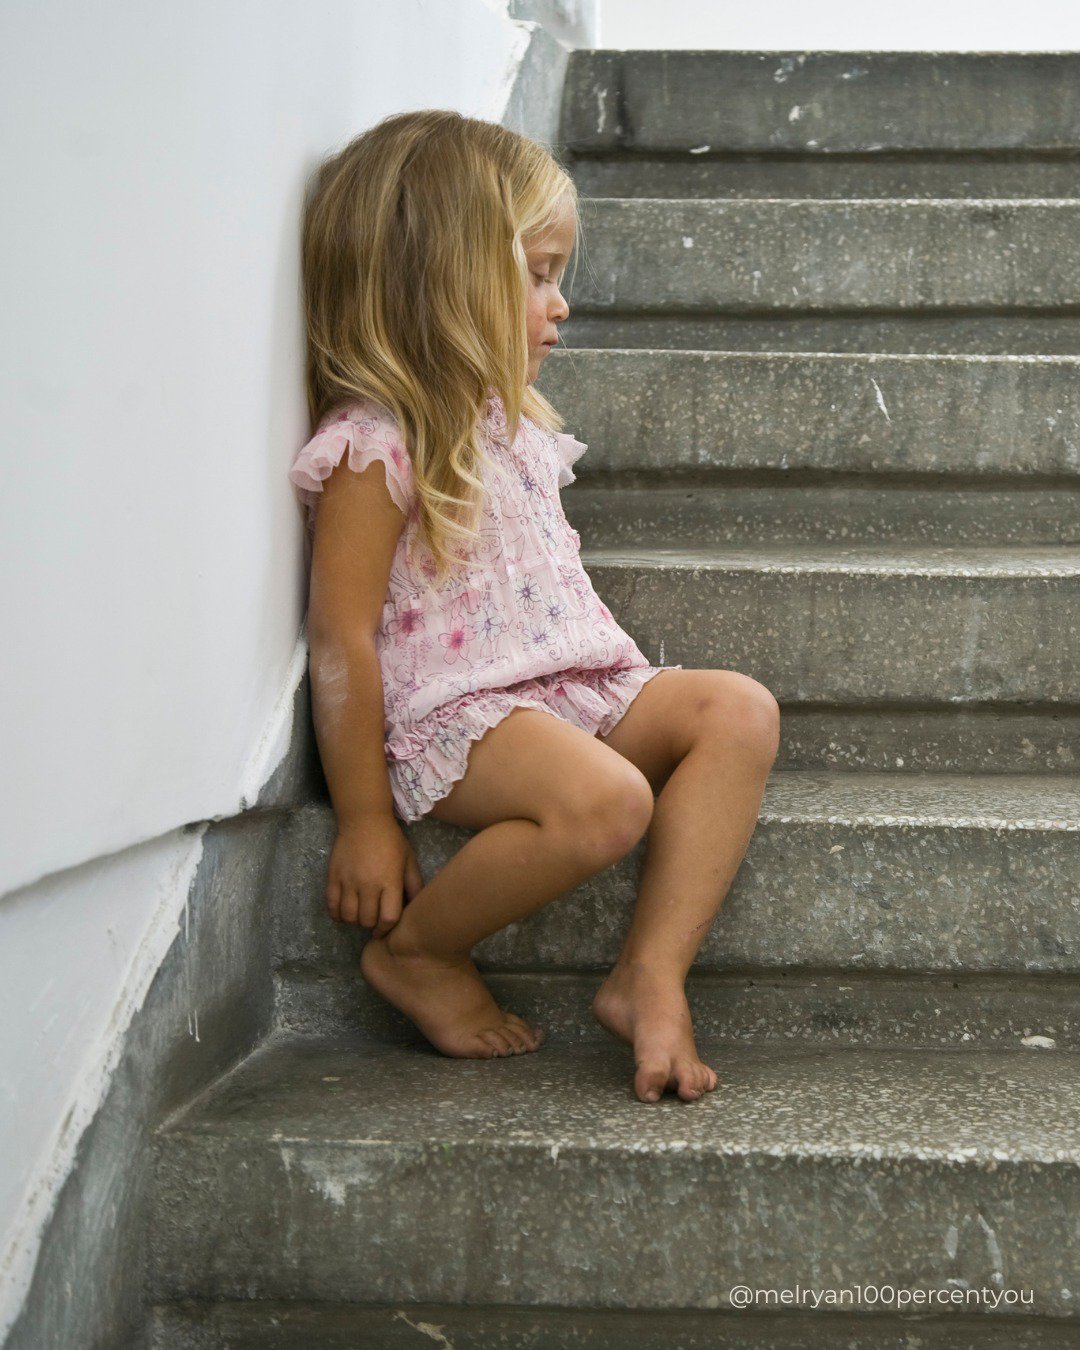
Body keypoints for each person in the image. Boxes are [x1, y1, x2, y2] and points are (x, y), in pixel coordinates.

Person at [288, 110, 780, 1104]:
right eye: (540, 274)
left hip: (576, 689)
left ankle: (651, 970)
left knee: (740, 710)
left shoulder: (508, 428)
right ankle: (418, 953)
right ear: (444, 279)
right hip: (460, 717)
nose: (559, 307)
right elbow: (339, 639)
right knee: (608, 801)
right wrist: (364, 819)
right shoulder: (375, 445)